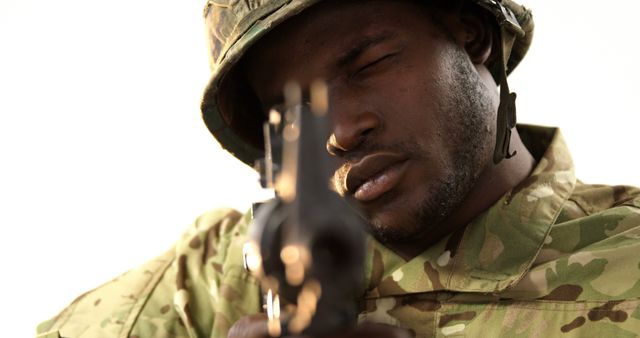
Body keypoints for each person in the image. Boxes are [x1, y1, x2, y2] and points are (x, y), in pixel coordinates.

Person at [36, 0, 640, 337]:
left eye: (369, 63)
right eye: (294, 108)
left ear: (471, 33)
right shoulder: (218, 277)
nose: (341, 132)